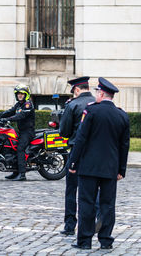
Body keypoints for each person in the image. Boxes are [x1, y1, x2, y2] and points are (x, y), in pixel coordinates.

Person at [68, 77, 130, 250]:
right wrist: (121, 170)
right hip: (110, 168)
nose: (95, 94)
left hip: (89, 167)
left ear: (102, 93)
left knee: (87, 204)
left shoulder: (91, 112)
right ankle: (105, 240)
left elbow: (81, 139)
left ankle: (85, 241)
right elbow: (124, 145)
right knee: (108, 205)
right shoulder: (121, 115)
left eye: (97, 92)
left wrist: (73, 162)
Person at [59, 76, 95, 236]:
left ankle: (69, 225)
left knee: (72, 190)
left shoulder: (73, 105)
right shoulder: (98, 103)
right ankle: (93, 222)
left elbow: (64, 132)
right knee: (94, 189)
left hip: (76, 152)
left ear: (77, 90)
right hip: (94, 152)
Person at [0, 84, 35, 181]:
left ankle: (22, 174)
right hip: (21, 131)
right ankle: (15, 171)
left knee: (20, 148)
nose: (20, 95)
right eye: (18, 94)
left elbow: (20, 116)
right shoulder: (18, 105)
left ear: (26, 94)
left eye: (22, 93)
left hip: (28, 132)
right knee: (11, 147)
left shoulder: (28, 104)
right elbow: (10, 111)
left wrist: (6, 119)